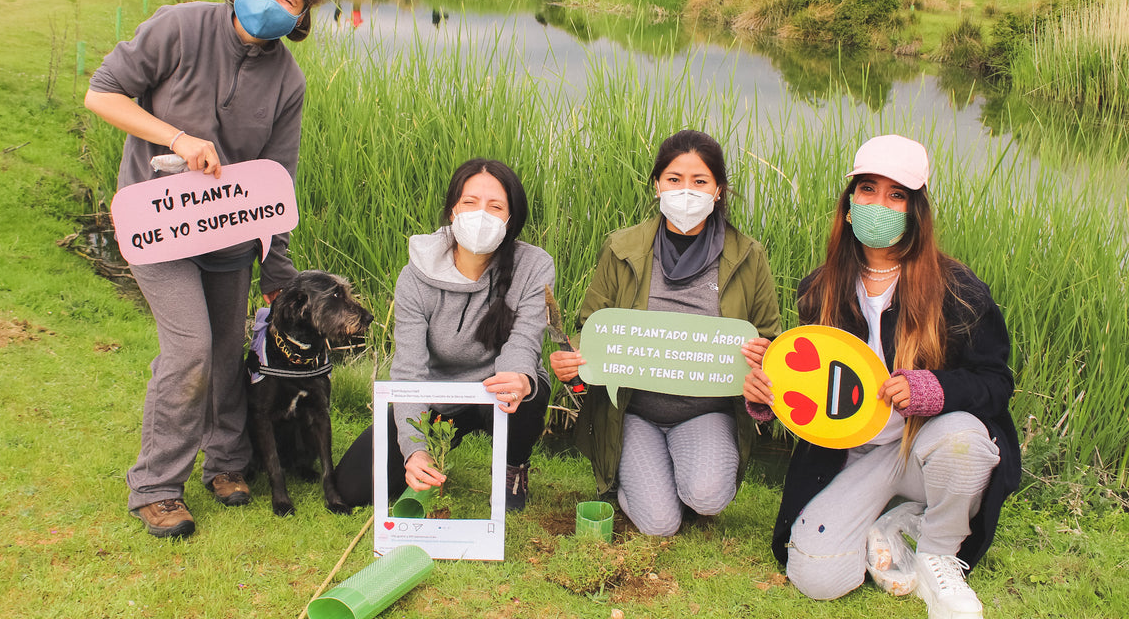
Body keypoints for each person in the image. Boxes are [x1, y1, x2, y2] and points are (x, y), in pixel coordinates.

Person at [84, 0, 324, 539]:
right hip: (157, 226)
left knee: (224, 351)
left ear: (300, 15)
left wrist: (280, 274)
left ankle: (226, 462)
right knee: (189, 348)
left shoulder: (287, 80)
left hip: (230, 235)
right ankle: (157, 487)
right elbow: (102, 92)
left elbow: (277, 182)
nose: (270, 3)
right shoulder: (180, 27)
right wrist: (175, 139)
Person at [743, 135, 1019, 619]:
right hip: (854, 456)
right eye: (867, 189)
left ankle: (937, 552)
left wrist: (934, 390)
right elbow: (818, 391)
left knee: (966, 443)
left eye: (897, 195)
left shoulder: (957, 290)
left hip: (924, 446)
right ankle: (894, 521)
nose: (880, 204)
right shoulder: (820, 288)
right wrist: (771, 394)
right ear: (849, 205)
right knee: (816, 575)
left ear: (916, 211)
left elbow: (996, 383)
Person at [550, 130, 781, 536]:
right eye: (674, 179)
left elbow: (771, 342)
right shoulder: (622, 248)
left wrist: (765, 362)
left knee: (706, 497)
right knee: (659, 524)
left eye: (700, 181)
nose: (686, 191)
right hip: (634, 412)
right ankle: (638, 476)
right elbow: (592, 329)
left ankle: (680, 467)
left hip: (705, 412)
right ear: (657, 185)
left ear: (719, 190)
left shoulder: (748, 255)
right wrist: (573, 359)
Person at [337, 159, 555, 512]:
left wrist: (518, 377)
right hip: (437, 393)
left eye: (495, 206)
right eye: (470, 202)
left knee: (526, 391)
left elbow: (524, 341)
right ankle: (424, 456)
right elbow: (409, 369)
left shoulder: (534, 265)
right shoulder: (415, 275)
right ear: (454, 210)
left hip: (495, 389)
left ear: (511, 218)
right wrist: (415, 448)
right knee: (351, 487)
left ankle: (513, 466)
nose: (481, 214)